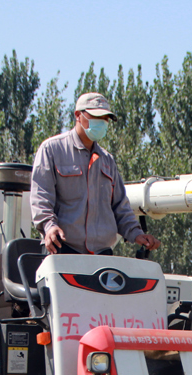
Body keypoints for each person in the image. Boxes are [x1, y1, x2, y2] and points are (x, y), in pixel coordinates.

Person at [30, 92, 160, 256]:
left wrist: (137, 234)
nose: (101, 122)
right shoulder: (52, 150)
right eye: (96, 116)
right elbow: (41, 198)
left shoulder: (107, 160)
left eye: (105, 118)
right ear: (78, 115)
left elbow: (120, 207)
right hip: (63, 252)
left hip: (102, 255)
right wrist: (49, 226)